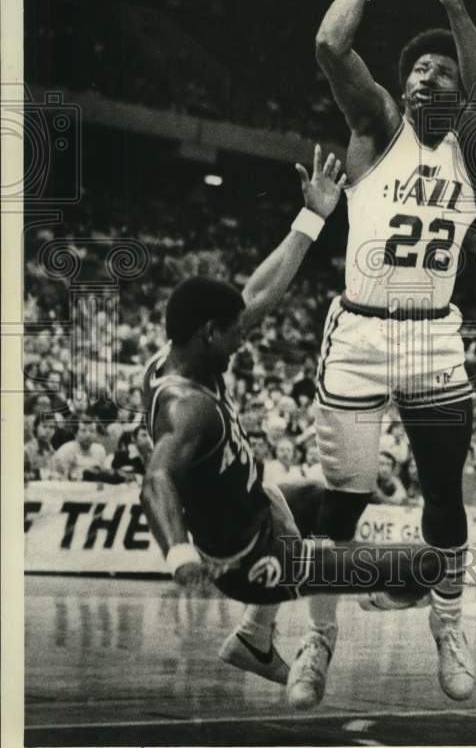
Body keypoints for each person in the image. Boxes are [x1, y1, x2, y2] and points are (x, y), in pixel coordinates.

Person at [290, 0, 476, 709]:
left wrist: (454, 6)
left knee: (442, 491)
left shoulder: (471, 149)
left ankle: (448, 626)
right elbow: (328, 47)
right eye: (414, 70)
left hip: (432, 334)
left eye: (438, 73)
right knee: (341, 501)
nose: (422, 79)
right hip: (360, 329)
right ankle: (318, 640)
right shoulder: (377, 128)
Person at [140, 147, 447, 690]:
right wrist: (178, 552)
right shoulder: (188, 406)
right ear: (210, 333)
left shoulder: (180, 356)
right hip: (252, 562)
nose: (245, 339)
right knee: (427, 564)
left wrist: (312, 217)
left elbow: (255, 295)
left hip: (264, 506)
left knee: (343, 497)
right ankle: (366, 594)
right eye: (235, 334)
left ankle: (254, 642)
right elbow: (157, 478)